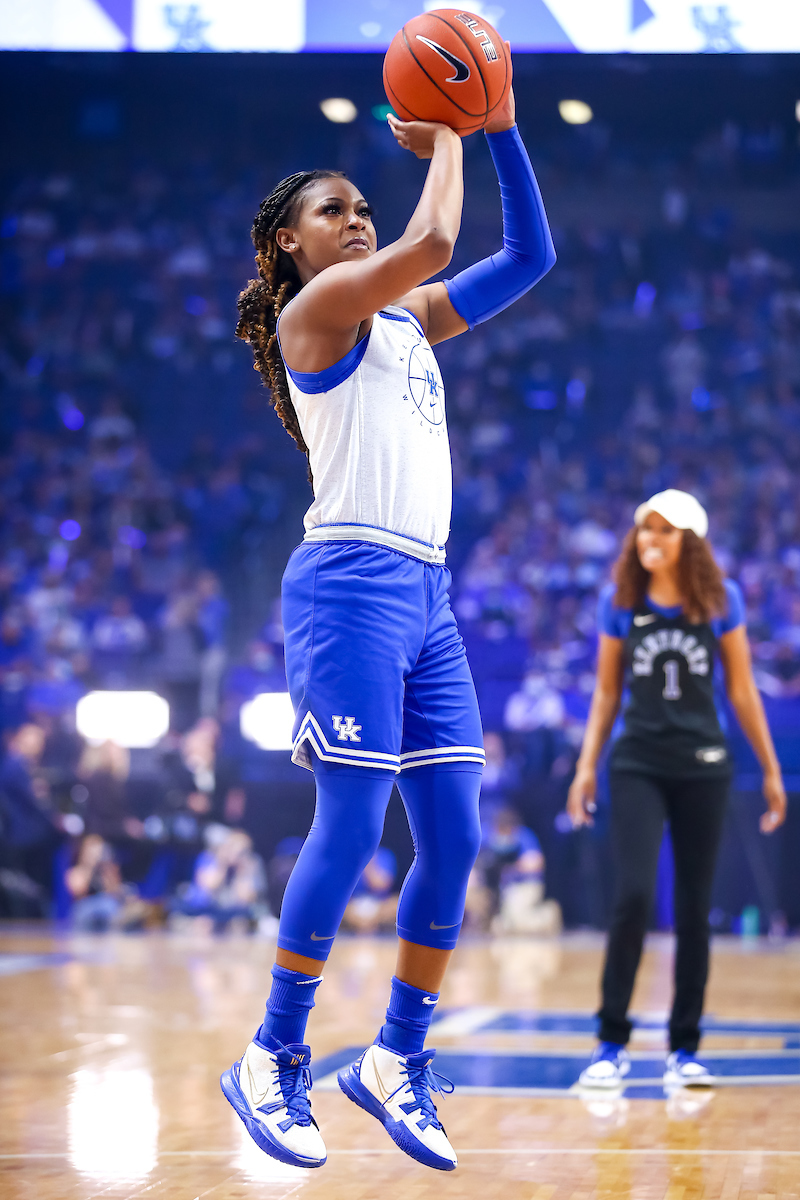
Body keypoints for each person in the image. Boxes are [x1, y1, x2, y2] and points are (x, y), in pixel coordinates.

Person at [221, 66, 555, 1173]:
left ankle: (392, 1059)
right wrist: (452, 133)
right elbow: (432, 246)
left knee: (455, 835)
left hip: (426, 591)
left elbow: (528, 260)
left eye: (364, 204)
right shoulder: (319, 312)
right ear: (287, 246)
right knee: (355, 822)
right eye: (335, 210)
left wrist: (499, 129)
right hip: (349, 581)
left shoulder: (402, 315)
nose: (358, 217)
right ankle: (272, 1053)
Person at [567, 489, 786, 1090]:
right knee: (634, 896)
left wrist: (769, 768)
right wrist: (587, 765)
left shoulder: (721, 600)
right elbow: (607, 692)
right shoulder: (622, 601)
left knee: (694, 907)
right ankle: (610, 1043)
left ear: (689, 540)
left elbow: (741, 690)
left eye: (663, 533)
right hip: (637, 761)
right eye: (644, 532)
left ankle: (684, 1049)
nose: (649, 542)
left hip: (704, 766)